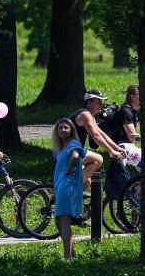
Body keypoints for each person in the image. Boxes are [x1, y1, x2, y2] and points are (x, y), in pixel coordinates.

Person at [65, 90, 123, 188]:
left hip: (72, 152)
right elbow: (95, 136)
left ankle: (60, 199)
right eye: (99, 102)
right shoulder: (85, 115)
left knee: (87, 182)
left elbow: (102, 134)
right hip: (69, 153)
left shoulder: (90, 116)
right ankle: (68, 188)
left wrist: (117, 148)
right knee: (98, 160)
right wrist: (111, 151)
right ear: (89, 102)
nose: (101, 104)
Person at [51, 119, 85, 260]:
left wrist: (69, 170)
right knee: (58, 221)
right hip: (60, 185)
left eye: (66, 128)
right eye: (60, 128)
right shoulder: (61, 147)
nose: (62, 130)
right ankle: (72, 254)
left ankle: (67, 258)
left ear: (71, 130)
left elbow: (76, 156)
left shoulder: (73, 144)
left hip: (68, 185)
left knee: (64, 220)